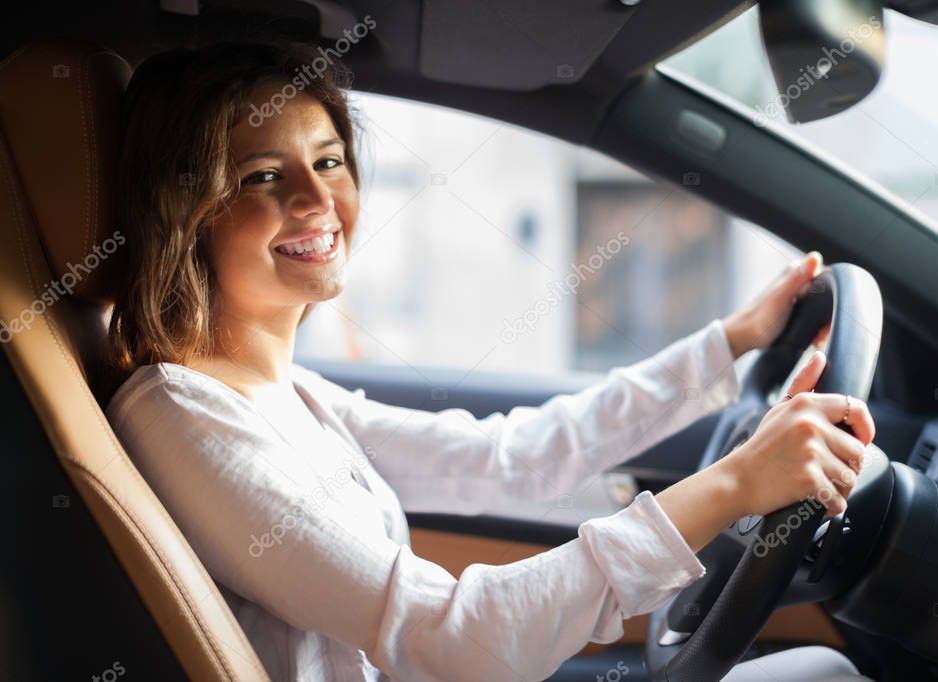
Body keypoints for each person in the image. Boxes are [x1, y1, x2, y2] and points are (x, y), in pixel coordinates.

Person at [102, 41, 875, 682]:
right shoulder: (183, 413)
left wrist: (731, 341)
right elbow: (461, 637)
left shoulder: (287, 393)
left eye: (329, 161)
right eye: (261, 177)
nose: (316, 200)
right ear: (185, 212)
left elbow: (508, 459)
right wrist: (735, 482)